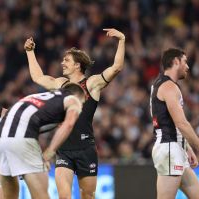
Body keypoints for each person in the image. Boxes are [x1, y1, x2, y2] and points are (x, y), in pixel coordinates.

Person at [24, 28, 125, 199]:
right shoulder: (60, 84)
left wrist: (122, 40)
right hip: (63, 149)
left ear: (77, 65)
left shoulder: (91, 83)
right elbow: (38, 77)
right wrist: (29, 52)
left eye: (67, 60)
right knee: (64, 196)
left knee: (88, 195)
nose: (62, 63)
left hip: (86, 148)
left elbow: (116, 68)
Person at [0, 83, 85, 199]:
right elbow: (69, 124)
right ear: (79, 96)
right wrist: (49, 153)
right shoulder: (73, 99)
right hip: (22, 137)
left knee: (9, 196)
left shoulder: (37, 96)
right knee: (41, 196)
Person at [149, 48, 199, 199]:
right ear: (176, 61)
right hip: (169, 148)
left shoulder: (159, 84)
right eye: (185, 62)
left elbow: (170, 121)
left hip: (175, 147)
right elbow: (181, 123)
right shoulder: (169, 87)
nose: (187, 66)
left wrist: (187, 147)